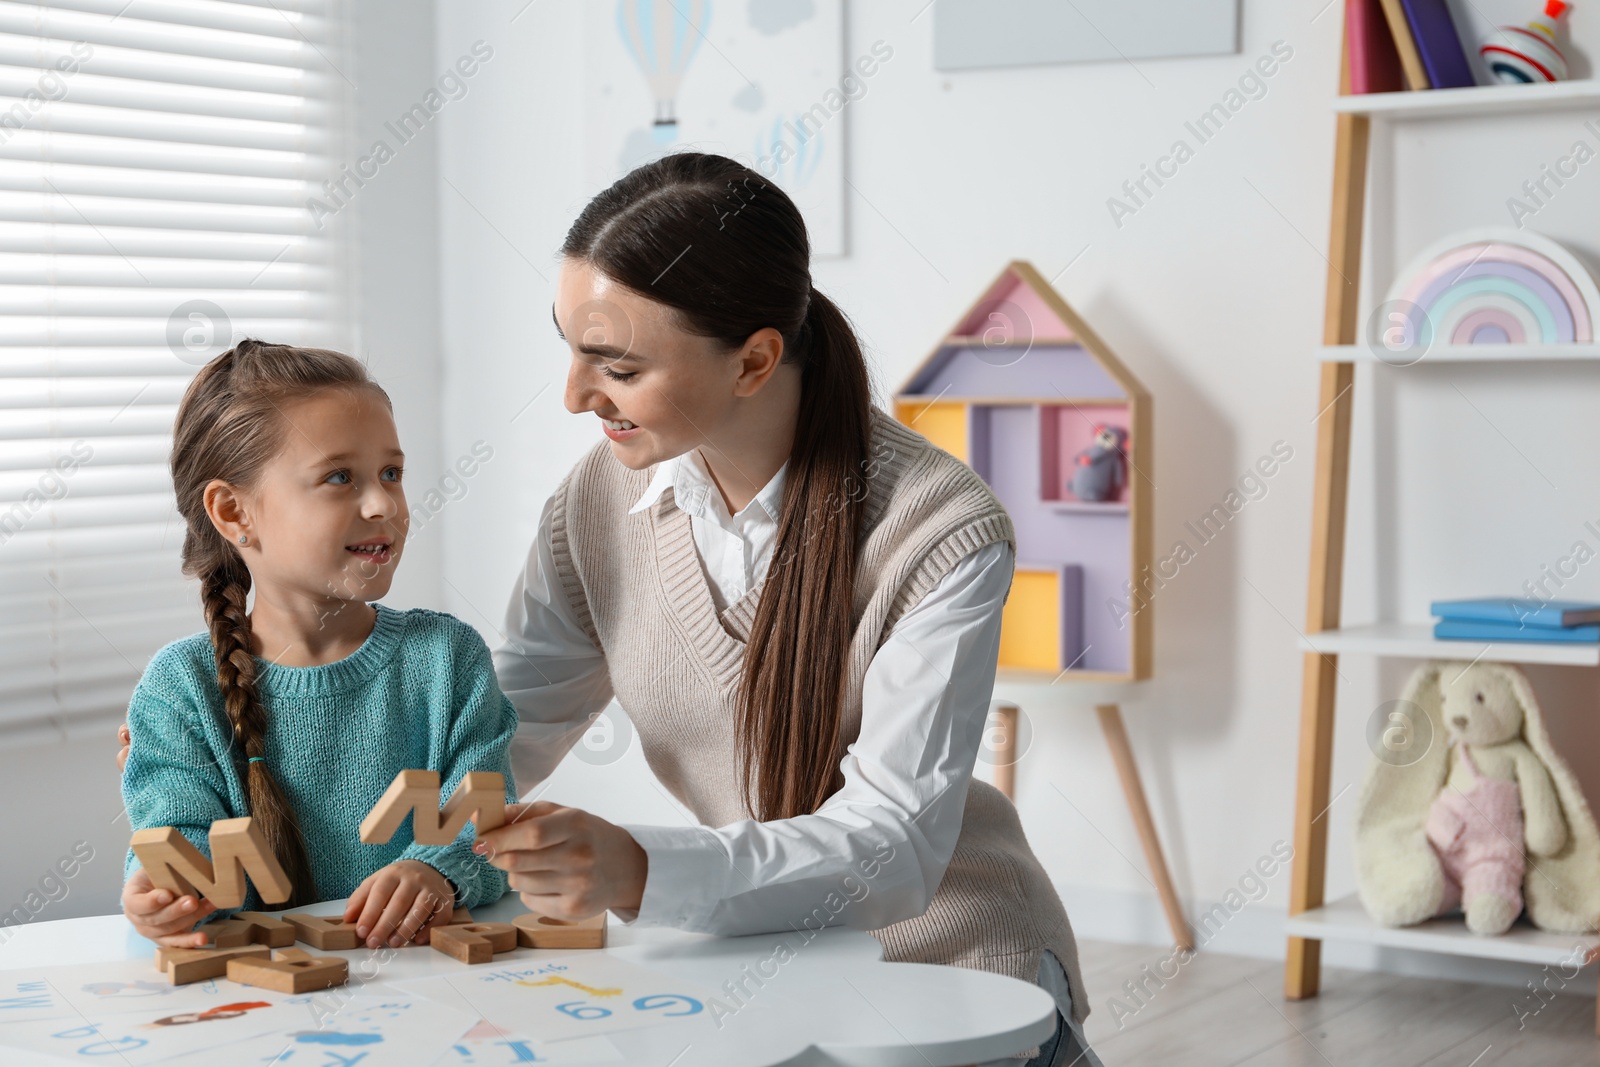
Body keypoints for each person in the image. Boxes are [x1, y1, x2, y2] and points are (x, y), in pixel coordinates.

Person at [472, 152, 1102, 1066]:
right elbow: (502, 734)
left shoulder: (938, 529)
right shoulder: (594, 506)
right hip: (768, 964)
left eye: (614, 364)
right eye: (569, 347)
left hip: (953, 971)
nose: (574, 395)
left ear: (756, 359)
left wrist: (636, 868)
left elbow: (893, 846)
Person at [119, 340, 516, 951]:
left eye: (392, 473)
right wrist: (163, 896)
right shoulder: (180, 687)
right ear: (233, 511)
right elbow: (178, 836)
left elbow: (487, 820)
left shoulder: (448, 659)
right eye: (339, 477)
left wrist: (437, 871)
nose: (384, 503)